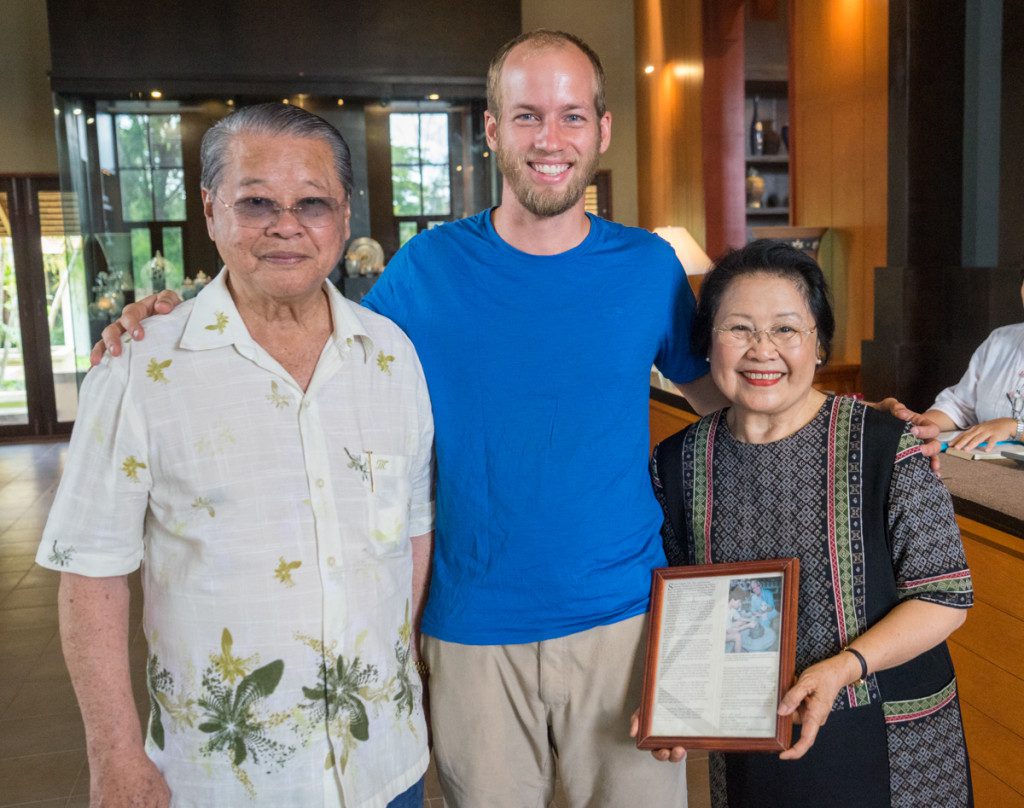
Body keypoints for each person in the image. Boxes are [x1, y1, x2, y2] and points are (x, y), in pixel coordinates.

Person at [91, 31, 943, 808]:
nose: (550, 138)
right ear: (492, 131)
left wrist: (864, 423)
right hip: (470, 635)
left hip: (628, 627)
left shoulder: (646, 268)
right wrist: (171, 317)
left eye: (571, 115)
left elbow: (736, 395)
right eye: (527, 114)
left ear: (602, 130)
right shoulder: (427, 270)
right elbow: (315, 339)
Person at [36, 103, 434, 808]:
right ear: (211, 209)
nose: (286, 224)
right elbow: (90, 578)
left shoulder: (392, 357)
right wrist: (116, 756)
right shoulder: (136, 369)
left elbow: (412, 534)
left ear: (343, 218)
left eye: (312, 203)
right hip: (224, 781)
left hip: (384, 763)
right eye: (256, 203)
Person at [642, 240, 974, 807]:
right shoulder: (677, 464)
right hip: (751, 737)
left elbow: (946, 596)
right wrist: (673, 704)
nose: (761, 350)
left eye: (786, 330)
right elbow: (687, 609)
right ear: (707, 343)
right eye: (738, 329)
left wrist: (845, 668)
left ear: (819, 343)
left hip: (893, 734)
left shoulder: (886, 445)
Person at [923, 269, 1024, 452]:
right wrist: (917, 425)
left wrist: (1014, 428)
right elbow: (960, 406)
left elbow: (1011, 427)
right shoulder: (999, 340)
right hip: (983, 469)